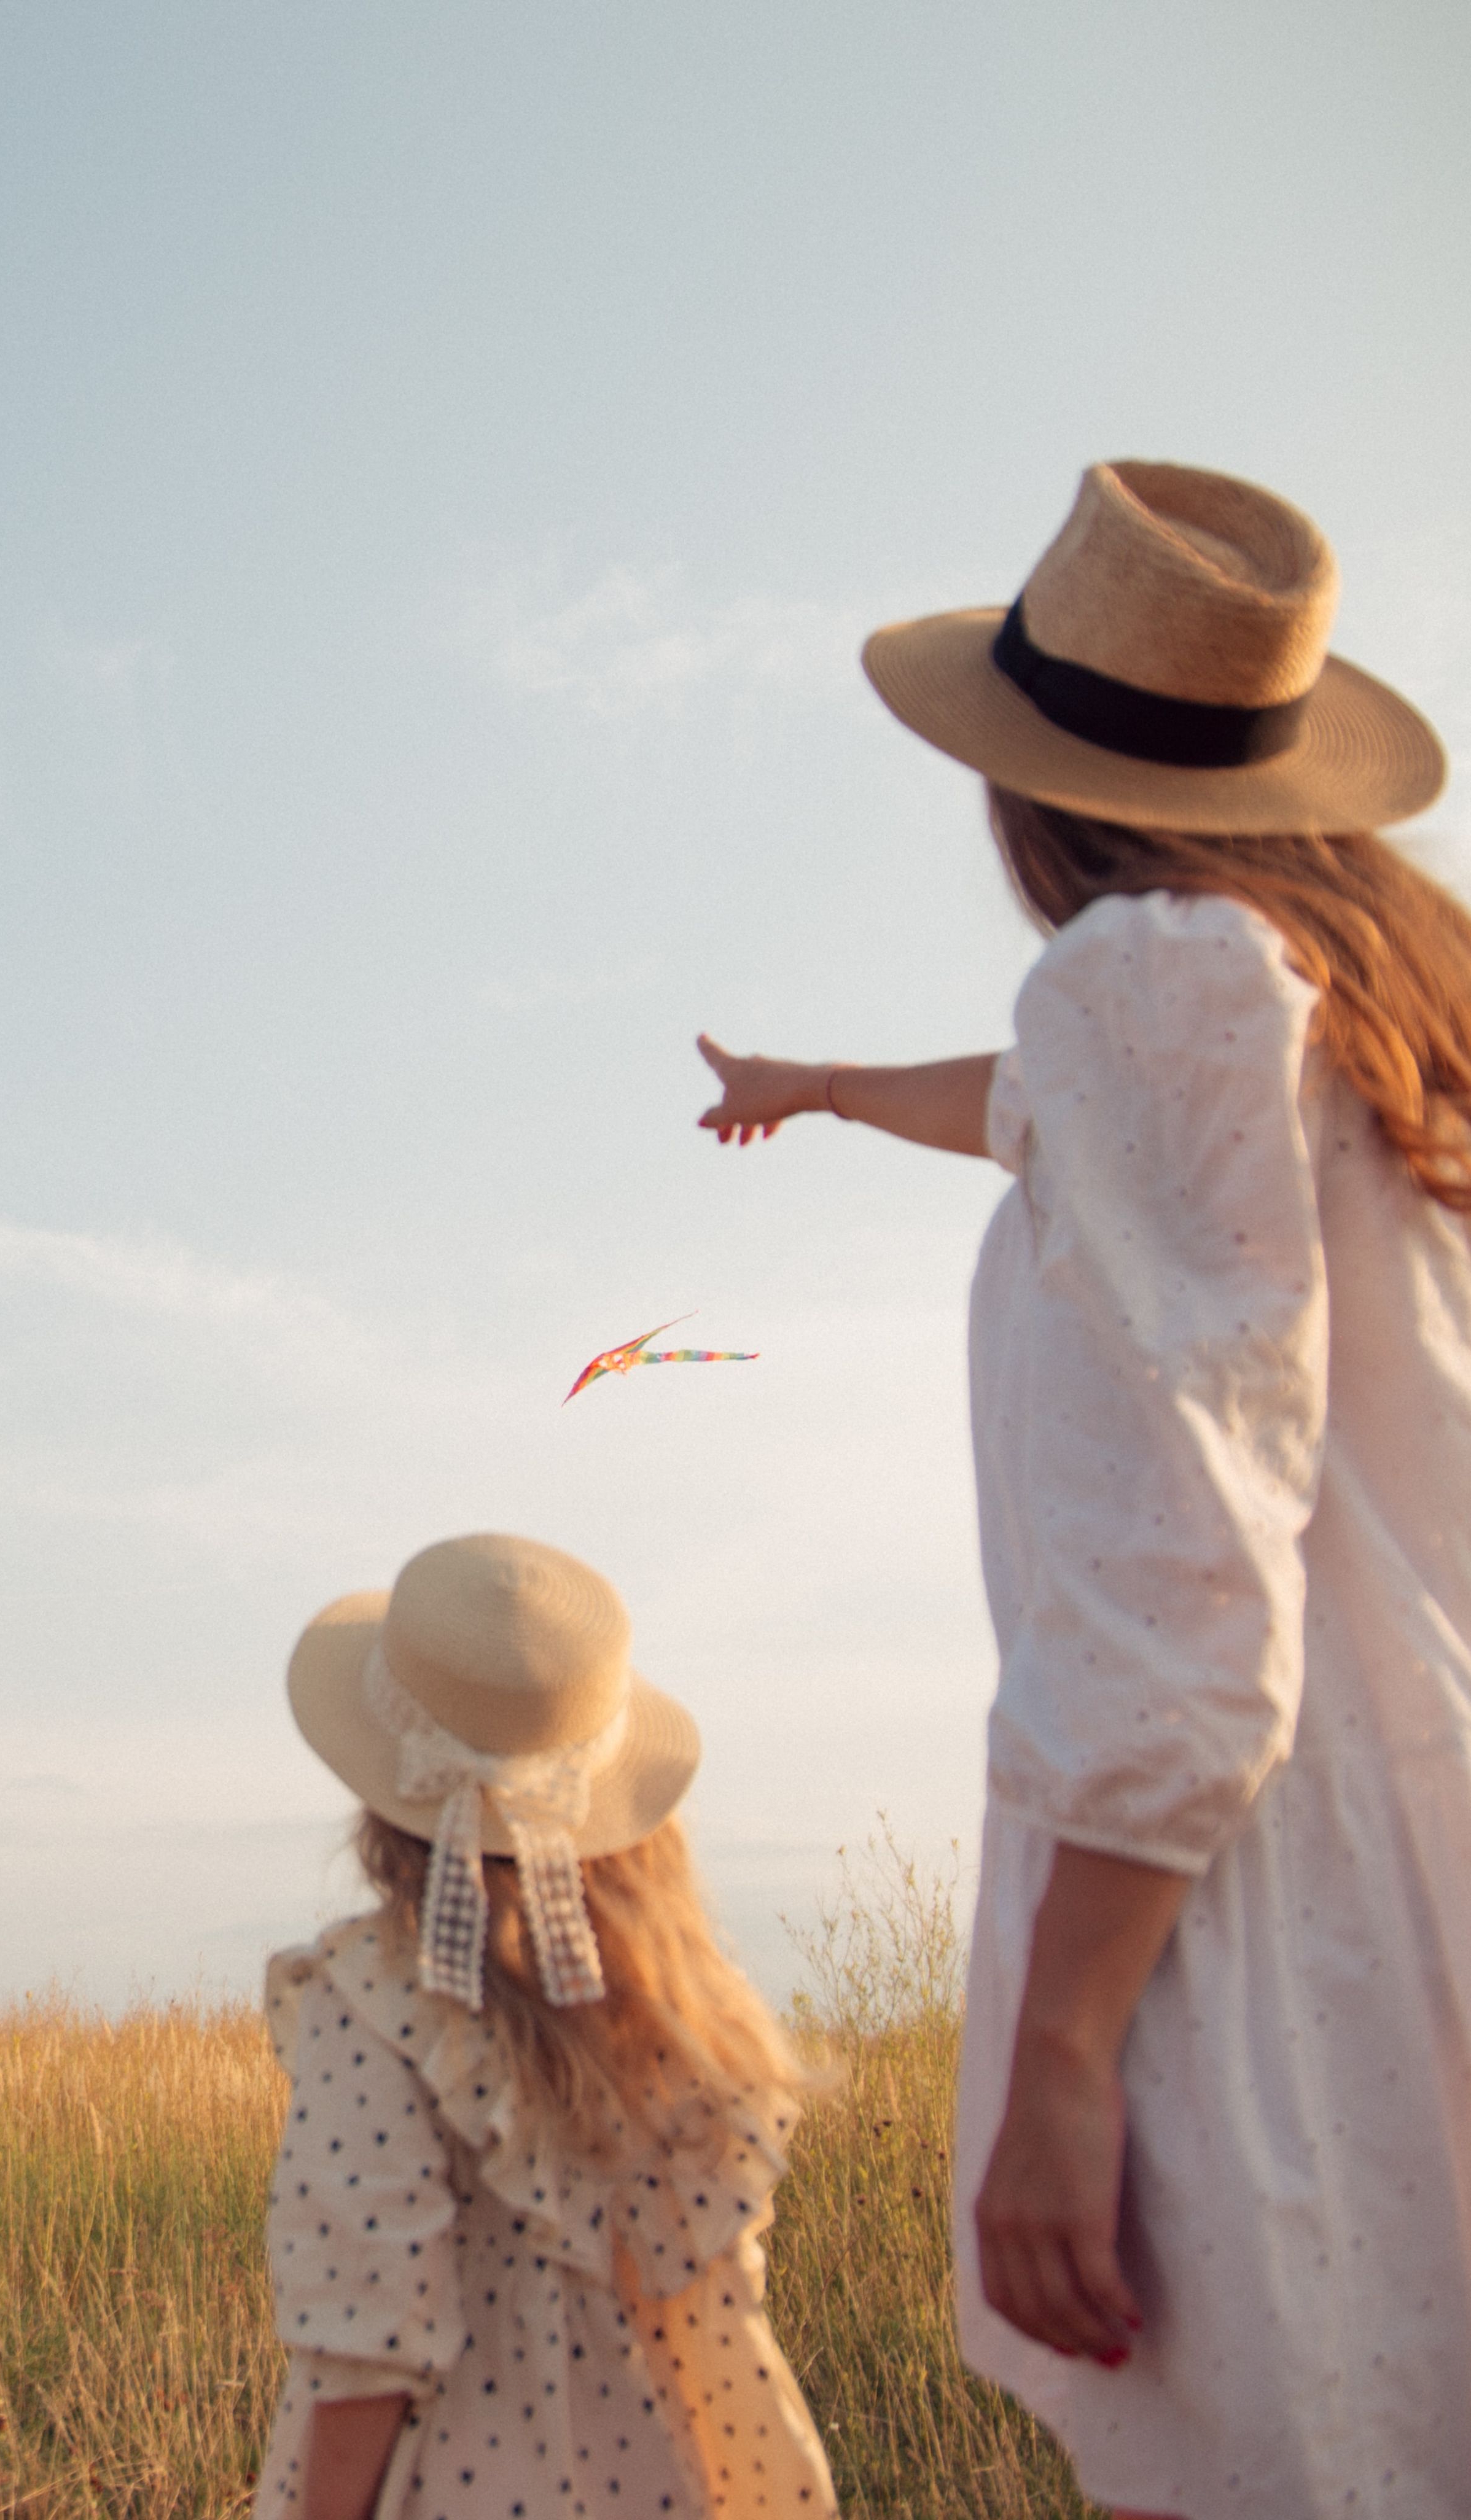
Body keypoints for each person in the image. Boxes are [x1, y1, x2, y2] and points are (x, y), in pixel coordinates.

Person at [696, 460, 1467, 2518]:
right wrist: (829, 1091)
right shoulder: (1362, 1005)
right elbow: (1056, 1113)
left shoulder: (1148, 980)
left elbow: (1189, 1571)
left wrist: (1061, 2058)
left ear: (1032, 789)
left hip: (1260, 1887)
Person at [256, 1531, 833, 2520]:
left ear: (389, 1800)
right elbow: (724, 2315)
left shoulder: (378, 2004)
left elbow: (371, 2349)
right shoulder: (689, 2017)